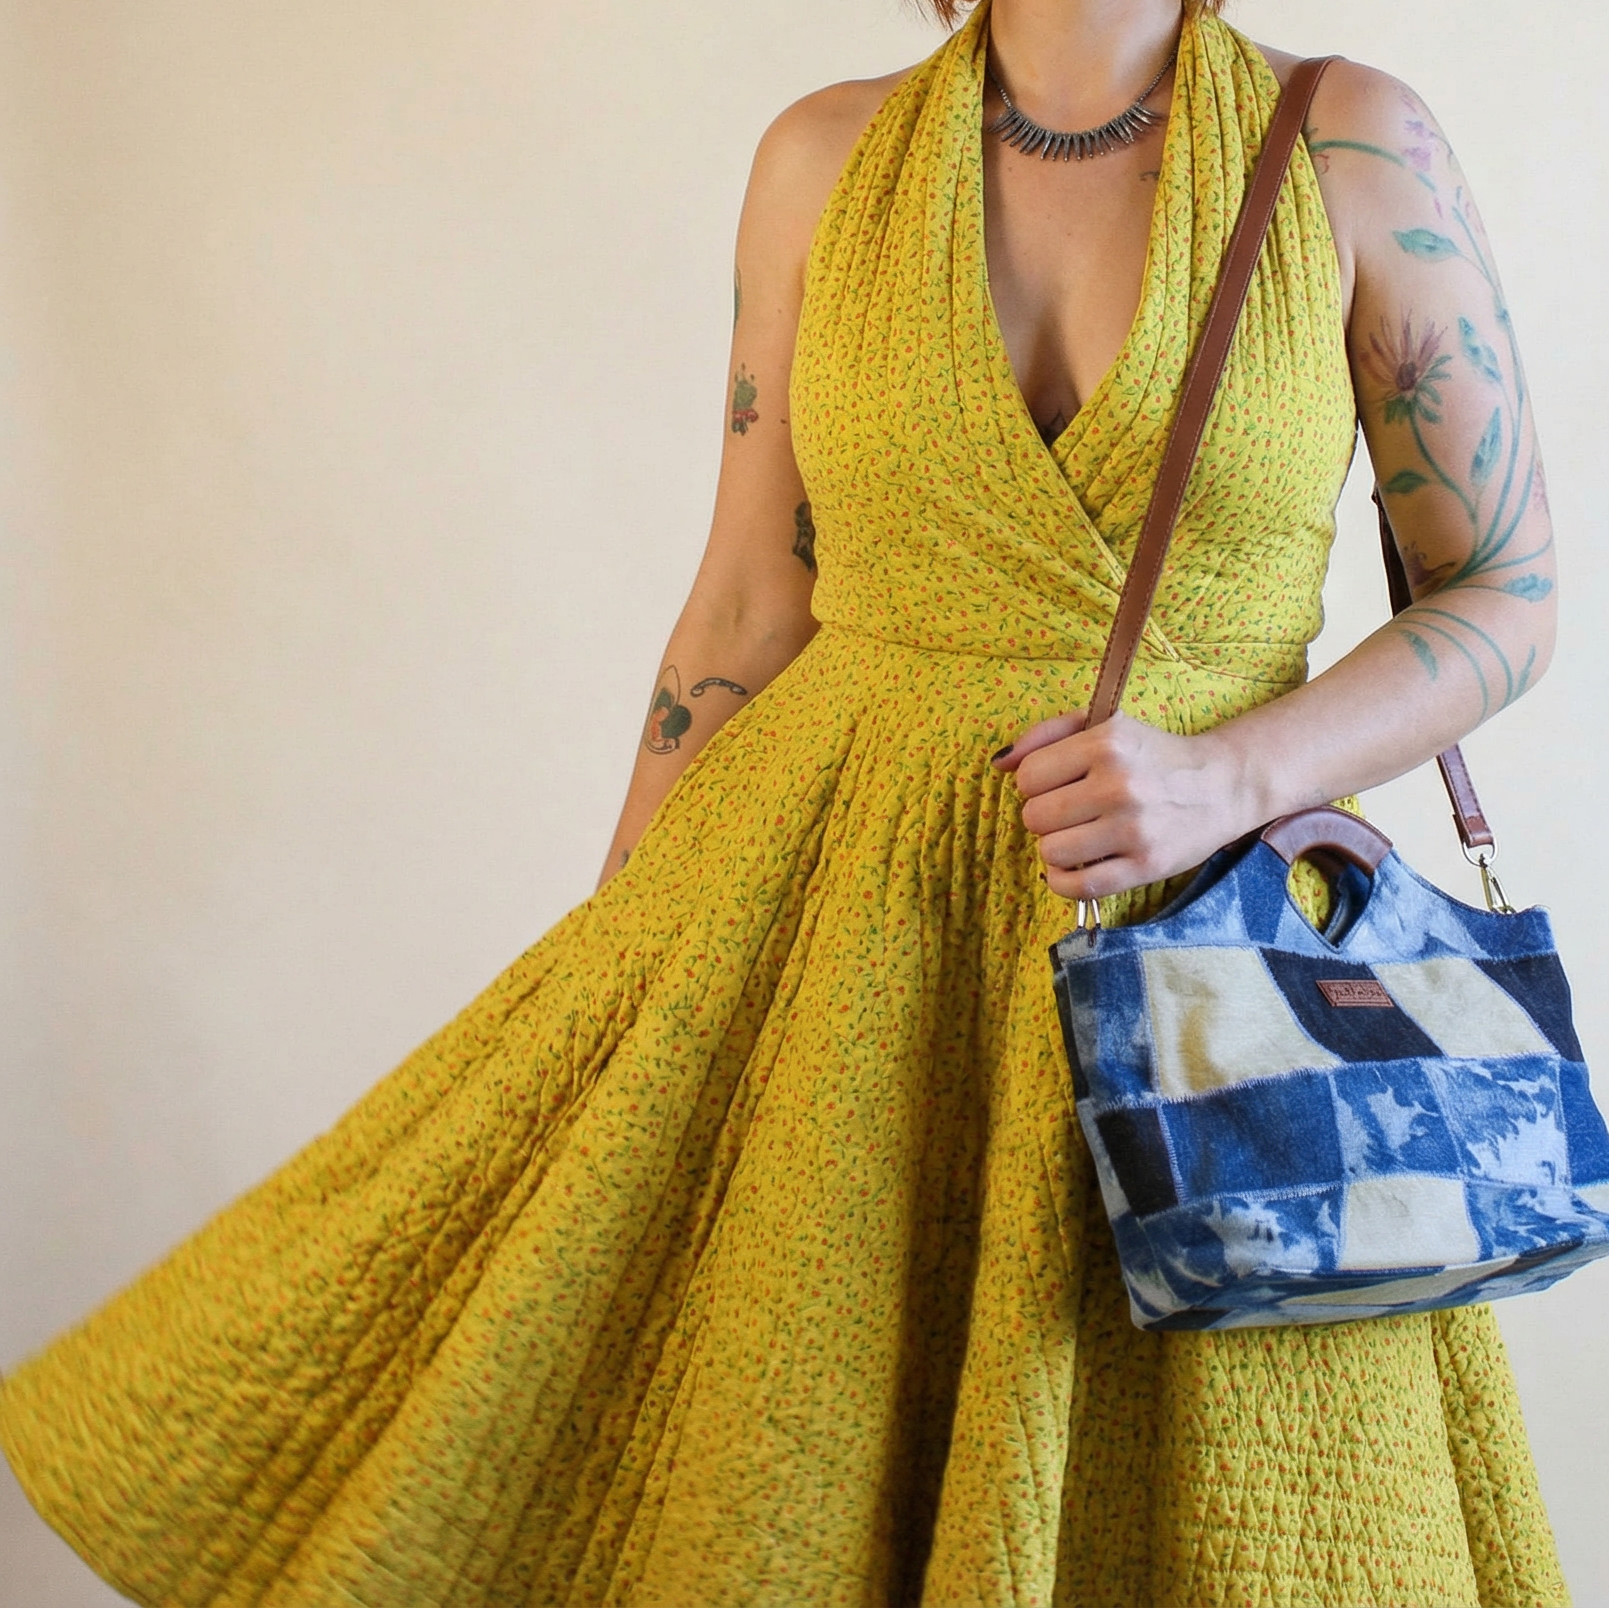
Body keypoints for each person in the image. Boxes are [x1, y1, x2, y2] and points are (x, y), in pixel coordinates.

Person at [0, 0, 1569, 1603]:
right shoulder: (822, 160)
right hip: (831, 940)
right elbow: (750, 603)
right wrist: (620, 960)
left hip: (1208, 964)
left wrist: (1228, 777)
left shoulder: (1353, 145)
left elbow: (1509, 589)